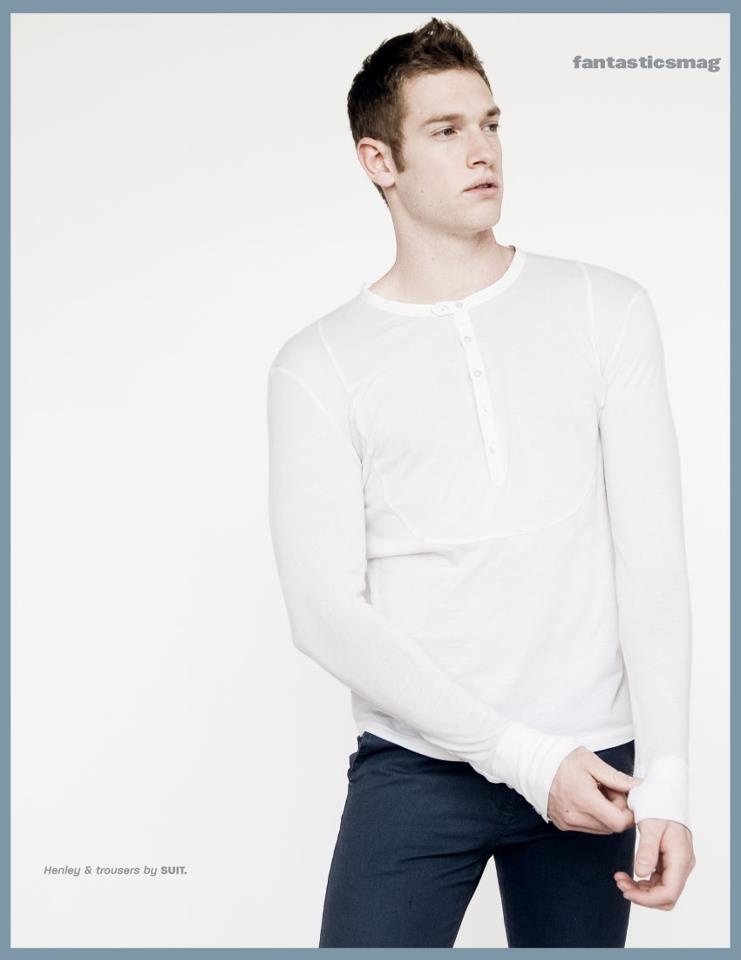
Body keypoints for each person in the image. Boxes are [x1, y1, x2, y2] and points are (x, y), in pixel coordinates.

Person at [266, 16, 696, 948]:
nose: (482, 150)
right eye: (446, 129)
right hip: (419, 768)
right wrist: (517, 755)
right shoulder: (319, 364)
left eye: (490, 124)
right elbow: (322, 611)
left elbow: (651, 557)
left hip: (593, 762)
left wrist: (666, 779)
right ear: (378, 160)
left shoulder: (605, 308)